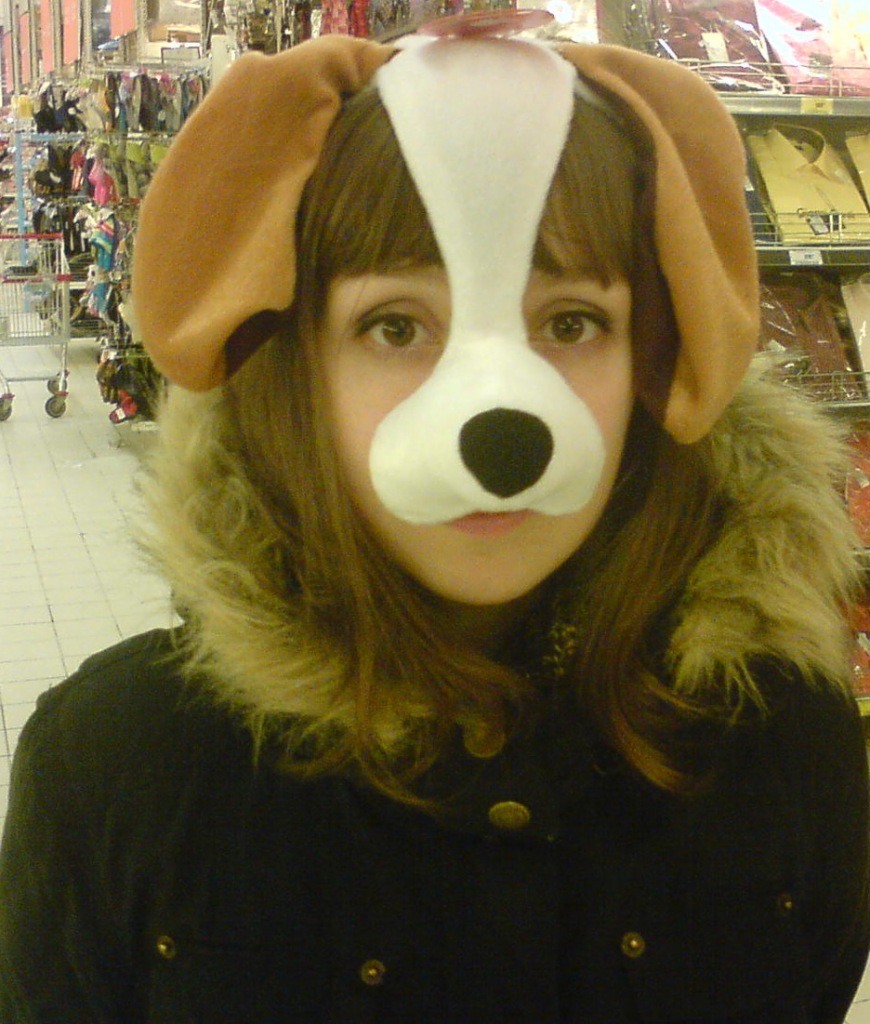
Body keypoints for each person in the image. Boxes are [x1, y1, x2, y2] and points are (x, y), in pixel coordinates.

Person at [1, 13, 868, 1022]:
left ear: (656, 362)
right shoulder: (116, 770)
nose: (494, 411)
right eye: (396, 326)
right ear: (298, 370)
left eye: (572, 322)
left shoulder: (785, 740)